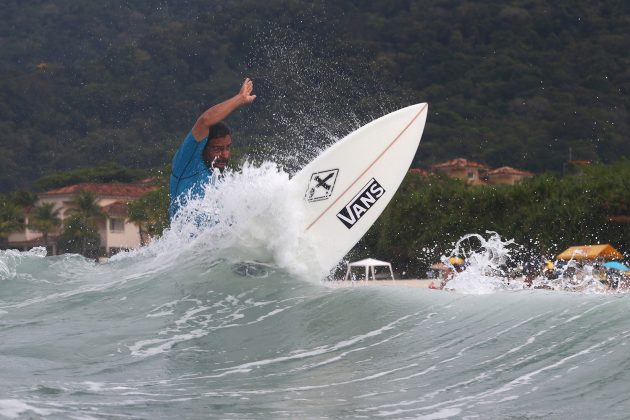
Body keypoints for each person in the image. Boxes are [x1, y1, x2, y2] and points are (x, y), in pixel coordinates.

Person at [169, 78, 256, 220]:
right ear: (202, 147)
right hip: (185, 242)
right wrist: (240, 98)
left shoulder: (221, 182)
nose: (225, 155)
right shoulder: (187, 165)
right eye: (217, 149)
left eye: (227, 148)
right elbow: (204, 121)